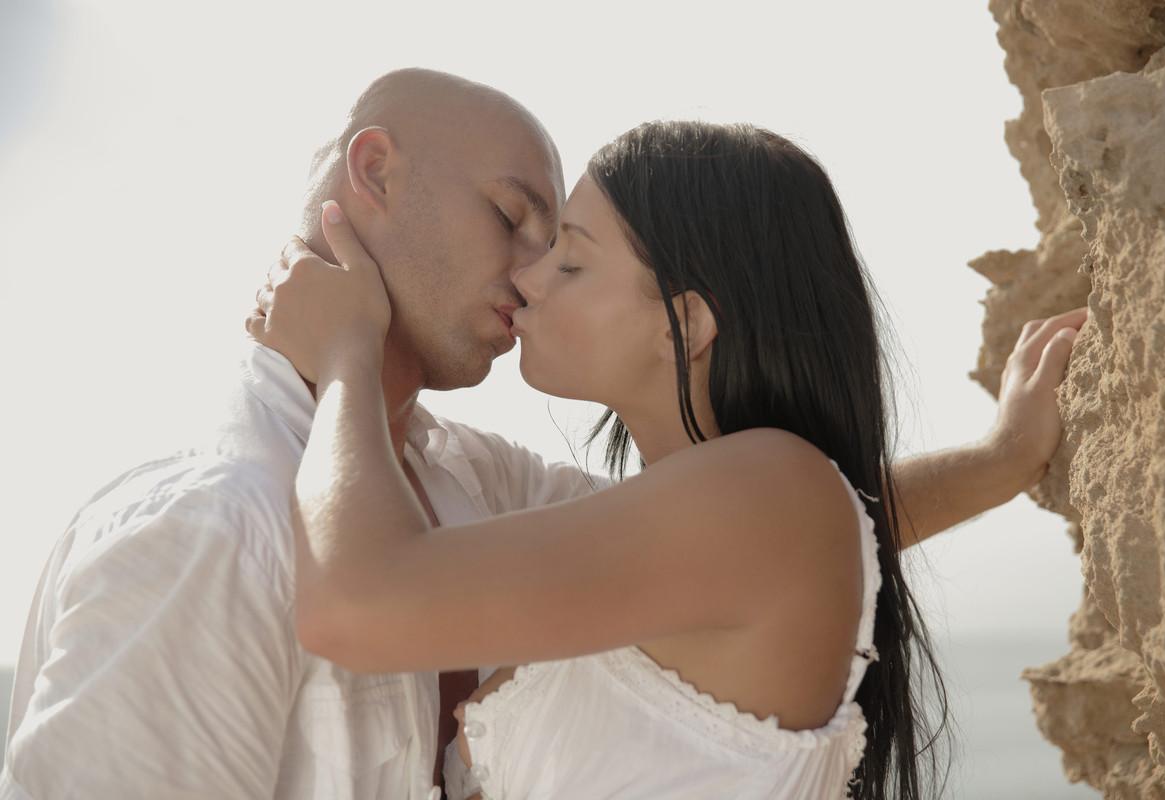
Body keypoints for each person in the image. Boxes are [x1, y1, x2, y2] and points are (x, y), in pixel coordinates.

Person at [0, 67, 1081, 800]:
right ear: (373, 174)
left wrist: (342, 356)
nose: (527, 272)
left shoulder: (477, 491)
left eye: (563, 250)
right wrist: (997, 463)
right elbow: (815, 530)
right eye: (514, 215)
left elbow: (368, 592)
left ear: (688, 320)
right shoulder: (214, 528)